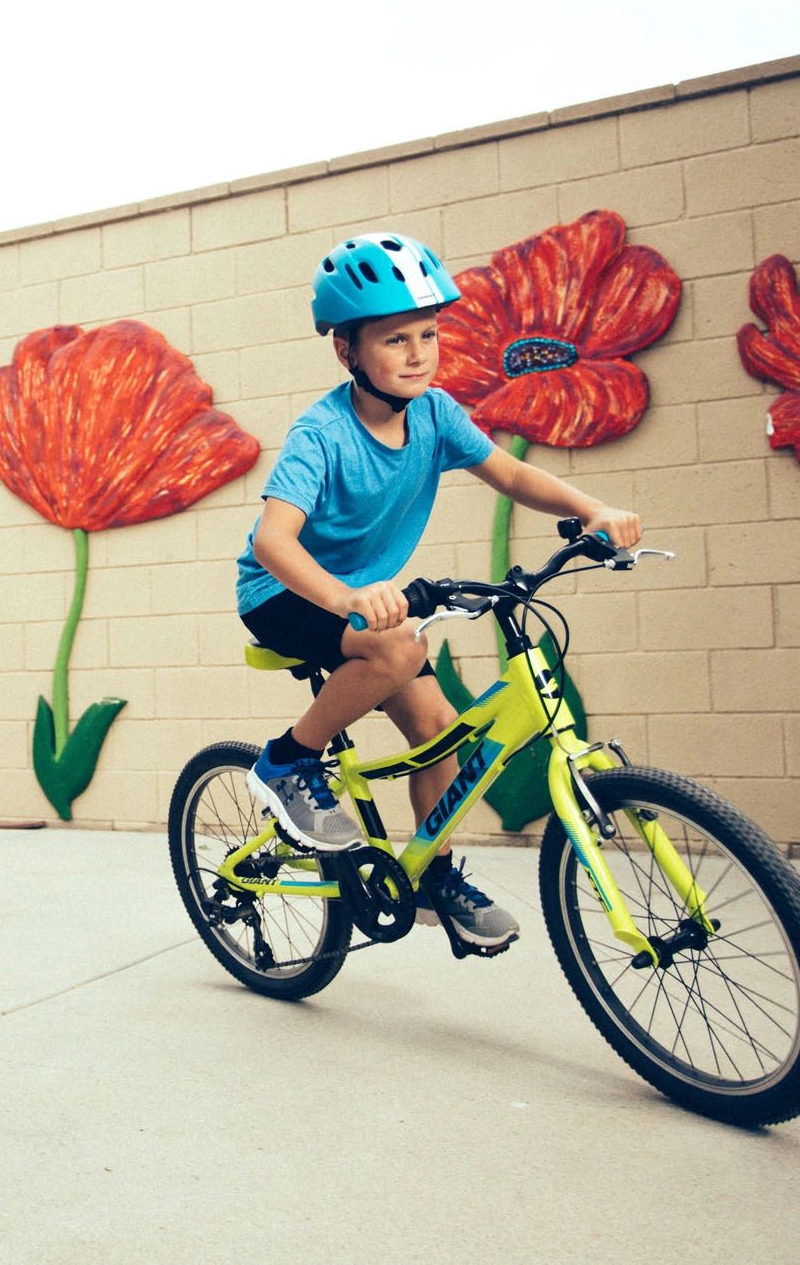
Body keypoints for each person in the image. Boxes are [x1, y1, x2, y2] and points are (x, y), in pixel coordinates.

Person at [236, 231, 641, 950]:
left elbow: (512, 476)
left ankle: (434, 875)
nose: (419, 352)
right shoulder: (321, 433)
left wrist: (591, 510)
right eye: (395, 339)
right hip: (283, 590)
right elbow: (273, 540)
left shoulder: (436, 415)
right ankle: (289, 760)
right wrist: (345, 598)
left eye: (428, 333)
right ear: (347, 352)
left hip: (368, 604)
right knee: (397, 643)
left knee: (438, 729)